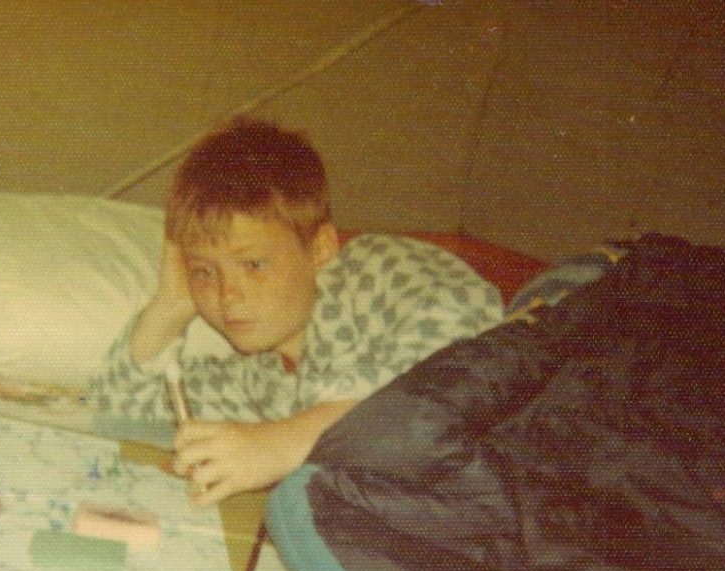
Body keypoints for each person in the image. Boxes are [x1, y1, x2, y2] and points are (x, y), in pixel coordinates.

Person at [95, 117, 505, 505]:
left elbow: (470, 343)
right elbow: (120, 408)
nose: (228, 295)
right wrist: (172, 304)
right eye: (205, 272)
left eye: (253, 264)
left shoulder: (370, 269)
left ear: (321, 248)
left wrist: (284, 442)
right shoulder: (263, 377)